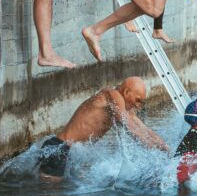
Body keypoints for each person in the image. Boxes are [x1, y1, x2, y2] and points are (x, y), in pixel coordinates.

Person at [39, 76, 169, 180]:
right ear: (126, 92)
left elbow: (144, 129)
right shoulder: (111, 95)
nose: (138, 105)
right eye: (138, 100)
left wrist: (167, 150)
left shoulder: (125, 109)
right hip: (59, 148)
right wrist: (152, 151)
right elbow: (129, 127)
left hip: (69, 152)